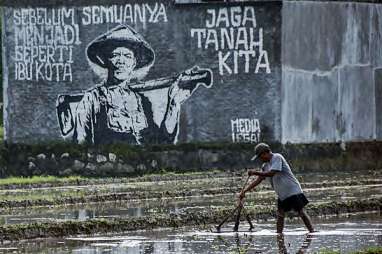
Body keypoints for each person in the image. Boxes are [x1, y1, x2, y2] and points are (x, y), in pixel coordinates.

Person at [57, 24, 212, 144]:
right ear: (106, 61)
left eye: (127, 56)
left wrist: (174, 103)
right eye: (115, 55)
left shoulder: (142, 102)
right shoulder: (92, 99)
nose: (121, 61)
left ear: (134, 64)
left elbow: (161, 143)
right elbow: (81, 145)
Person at [238, 143, 314, 234]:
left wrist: (255, 172)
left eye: (260, 156)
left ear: (265, 153)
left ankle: (312, 232)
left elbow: (272, 173)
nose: (260, 159)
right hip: (282, 194)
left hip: (292, 190)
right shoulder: (265, 166)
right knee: (280, 215)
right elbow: (259, 180)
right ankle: (279, 235)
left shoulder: (277, 157)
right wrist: (245, 191)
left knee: (301, 212)